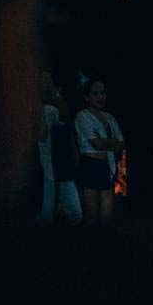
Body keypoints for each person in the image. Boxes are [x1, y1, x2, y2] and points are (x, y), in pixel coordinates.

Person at [74, 76, 124, 226]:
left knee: (107, 217)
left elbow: (121, 143)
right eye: (95, 94)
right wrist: (111, 142)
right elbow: (97, 144)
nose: (100, 97)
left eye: (102, 93)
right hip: (90, 166)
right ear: (87, 97)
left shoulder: (109, 117)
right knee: (92, 217)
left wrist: (106, 143)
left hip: (107, 166)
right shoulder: (83, 116)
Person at [36, 70, 82, 225]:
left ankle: (55, 215)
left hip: (56, 156)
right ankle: (51, 215)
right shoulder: (52, 104)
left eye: (47, 79)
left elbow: (44, 135)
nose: (44, 82)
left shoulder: (52, 106)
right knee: (53, 185)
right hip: (55, 156)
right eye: (43, 79)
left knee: (57, 185)